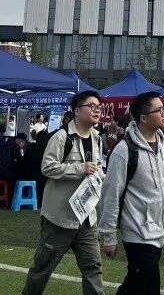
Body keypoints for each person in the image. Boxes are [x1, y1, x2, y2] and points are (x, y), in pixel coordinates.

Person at [98, 92, 164, 295]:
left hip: (159, 229)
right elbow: (111, 194)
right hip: (136, 231)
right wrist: (109, 236)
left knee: (135, 284)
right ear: (143, 118)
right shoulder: (124, 150)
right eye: (159, 110)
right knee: (149, 286)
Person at [23, 90, 104, 295]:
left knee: (93, 269)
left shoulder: (97, 138)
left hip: (87, 219)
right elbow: (47, 167)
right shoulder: (61, 137)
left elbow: (97, 167)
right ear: (77, 111)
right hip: (59, 219)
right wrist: (79, 168)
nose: (97, 110)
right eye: (92, 106)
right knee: (42, 270)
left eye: (99, 107)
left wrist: (99, 176)